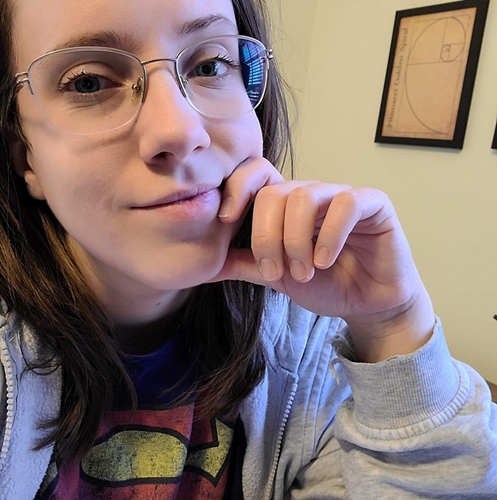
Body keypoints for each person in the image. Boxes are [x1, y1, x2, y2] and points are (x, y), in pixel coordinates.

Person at [0, 0, 495, 498]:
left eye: (210, 66)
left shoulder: (309, 349)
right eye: (89, 82)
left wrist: (391, 325)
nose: (180, 130)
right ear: (26, 156)